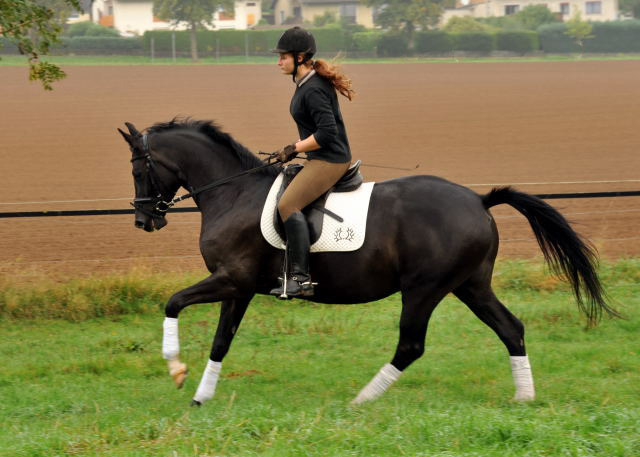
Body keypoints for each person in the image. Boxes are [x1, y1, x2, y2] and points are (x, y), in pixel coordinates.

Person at [269, 26, 355, 298]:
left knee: (287, 204)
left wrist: (294, 148)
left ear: (301, 57)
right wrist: (295, 150)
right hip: (319, 156)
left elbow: (327, 133)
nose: (279, 61)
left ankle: (300, 279)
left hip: (330, 160)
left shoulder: (313, 88)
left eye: (283, 56)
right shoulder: (306, 83)